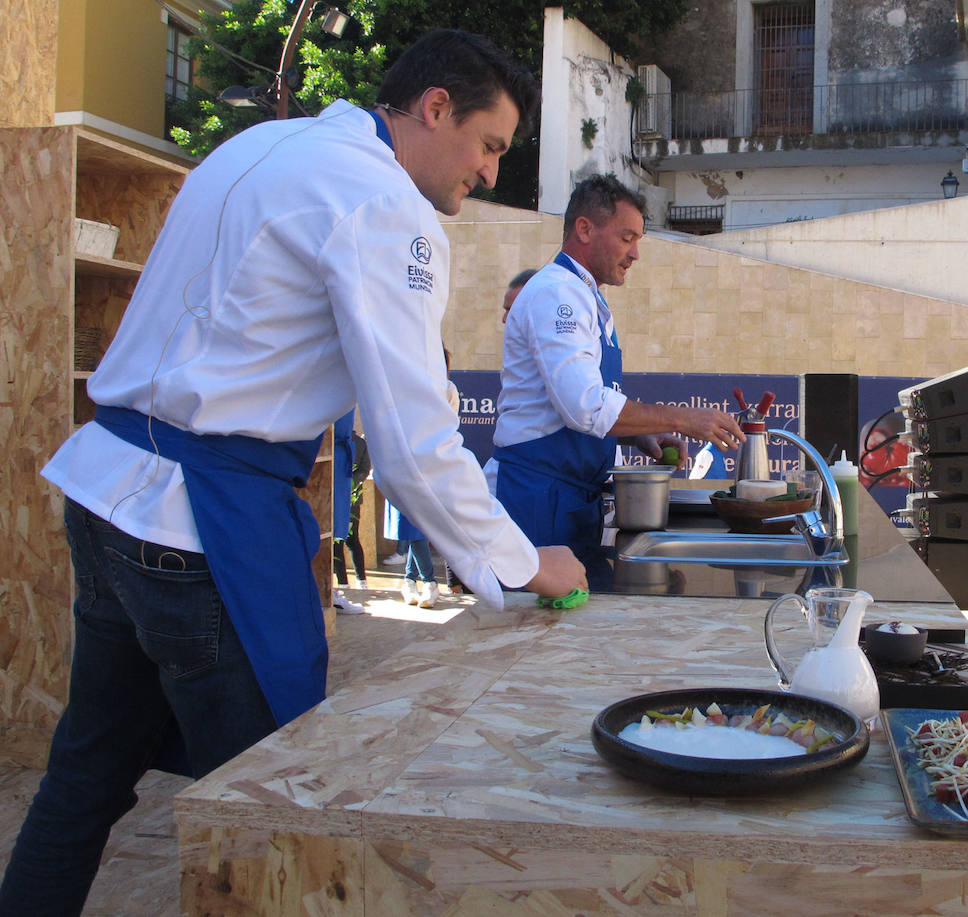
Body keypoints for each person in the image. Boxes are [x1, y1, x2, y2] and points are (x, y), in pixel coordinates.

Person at [0, 29, 585, 915]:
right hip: (198, 524)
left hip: (110, 491)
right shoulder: (386, 204)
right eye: (489, 145)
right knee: (274, 817)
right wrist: (521, 561)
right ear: (435, 109)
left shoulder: (260, 145)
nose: (492, 173)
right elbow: (414, 440)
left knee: (85, 775)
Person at [488, 175, 744, 561]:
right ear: (585, 229)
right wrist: (685, 419)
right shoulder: (558, 294)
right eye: (627, 238)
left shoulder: (588, 298)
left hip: (569, 499)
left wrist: (640, 437)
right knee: (532, 620)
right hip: (535, 500)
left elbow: (564, 412)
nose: (636, 254)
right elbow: (586, 406)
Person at [330, 412, 369, 615]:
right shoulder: (333, 442)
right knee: (334, 543)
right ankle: (341, 584)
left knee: (351, 540)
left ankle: (360, 580)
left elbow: (365, 468)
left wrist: (352, 482)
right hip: (334, 493)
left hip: (350, 497)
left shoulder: (359, 444)